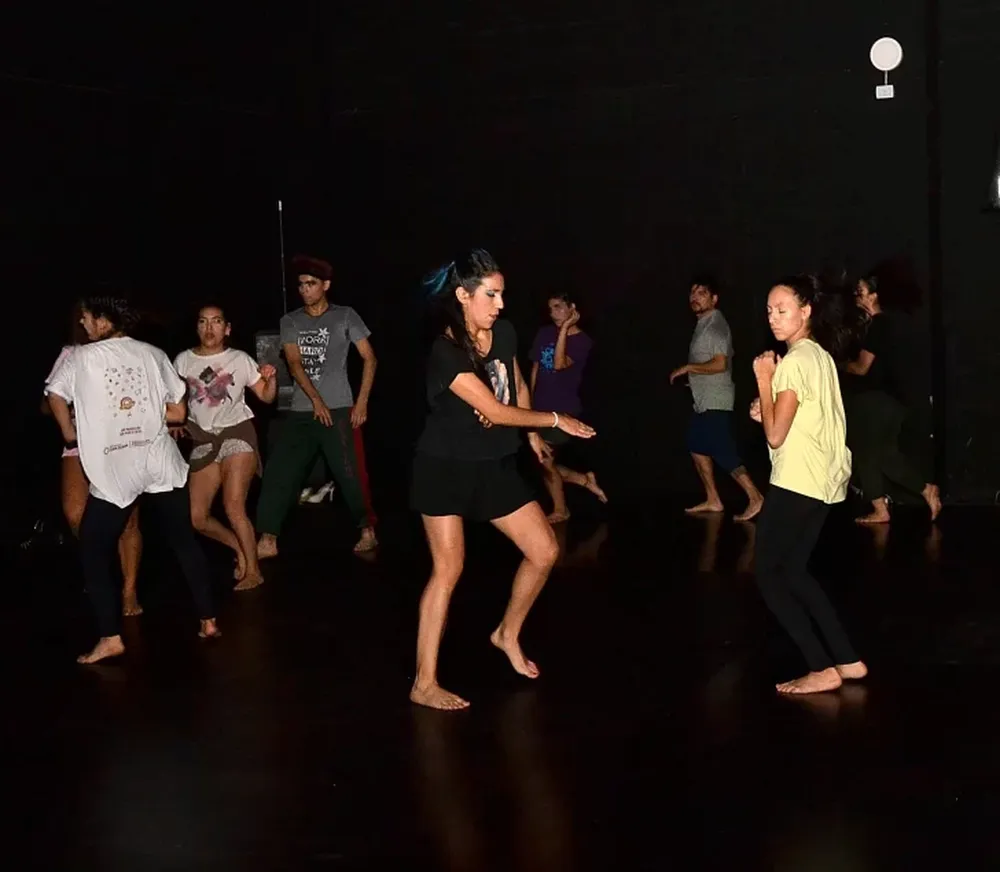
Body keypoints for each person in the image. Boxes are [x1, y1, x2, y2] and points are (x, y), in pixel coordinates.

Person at [409, 249, 596, 711]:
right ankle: (424, 682)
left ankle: (506, 633)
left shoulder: (505, 333)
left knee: (545, 550)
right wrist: (555, 419)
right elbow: (492, 409)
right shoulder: (446, 351)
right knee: (448, 569)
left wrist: (531, 431)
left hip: (493, 465)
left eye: (502, 294)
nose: (499, 304)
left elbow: (512, 381)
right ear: (463, 295)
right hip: (445, 467)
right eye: (490, 295)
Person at [45, 296, 220, 664]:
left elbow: (54, 395)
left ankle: (110, 637)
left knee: (93, 549)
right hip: (159, 461)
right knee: (183, 542)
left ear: (102, 320)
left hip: (116, 468)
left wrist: (69, 433)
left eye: (87, 319)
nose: (84, 325)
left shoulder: (80, 358)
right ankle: (208, 621)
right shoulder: (152, 353)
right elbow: (178, 409)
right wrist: (144, 413)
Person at [749, 274, 867, 694]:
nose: (774, 318)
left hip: (796, 482)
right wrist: (767, 402)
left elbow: (776, 436)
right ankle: (847, 659)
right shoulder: (817, 355)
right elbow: (805, 417)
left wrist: (764, 379)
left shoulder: (793, 361)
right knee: (795, 571)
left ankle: (821, 666)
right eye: (769, 311)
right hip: (822, 482)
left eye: (782, 310)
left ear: (806, 311)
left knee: (768, 574)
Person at [255, 255, 378, 557]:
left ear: (325, 285)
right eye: (301, 285)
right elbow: (295, 365)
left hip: (339, 408)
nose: (305, 289)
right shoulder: (291, 320)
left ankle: (367, 530)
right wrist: (316, 401)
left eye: (311, 284)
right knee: (280, 471)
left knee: (349, 471)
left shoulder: (345, 316)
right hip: (302, 410)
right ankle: (268, 538)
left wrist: (361, 403)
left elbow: (370, 358)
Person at [43, 310, 143, 616]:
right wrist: (69, 416)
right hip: (79, 444)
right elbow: (48, 400)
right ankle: (99, 568)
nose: (87, 324)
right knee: (76, 515)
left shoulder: (129, 351)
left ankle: (129, 591)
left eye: (93, 317)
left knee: (128, 521)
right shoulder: (72, 354)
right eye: (83, 318)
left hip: (121, 442)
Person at [175, 305, 277, 590]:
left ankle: (254, 571)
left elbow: (266, 397)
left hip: (236, 433)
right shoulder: (182, 360)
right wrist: (172, 421)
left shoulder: (239, 359)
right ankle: (240, 547)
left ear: (227, 328)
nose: (210, 328)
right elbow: (173, 400)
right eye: (203, 322)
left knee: (233, 505)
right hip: (203, 439)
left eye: (216, 322)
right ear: (197, 327)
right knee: (197, 516)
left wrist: (272, 379)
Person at [842, 266, 941, 524]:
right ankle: (922, 490)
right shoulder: (889, 324)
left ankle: (883, 507)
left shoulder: (879, 325)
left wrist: (836, 364)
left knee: (865, 451)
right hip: (894, 401)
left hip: (877, 400)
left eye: (861, 291)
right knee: (883, 455)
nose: (857, 295)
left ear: (874, 295)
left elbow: (862, 368)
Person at [670, 276, 763, 521]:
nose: (695, 297)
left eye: (702, 292)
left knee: (723, 451)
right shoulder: (703, 324)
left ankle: (755, 497)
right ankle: (713, 498)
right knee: (696, 445)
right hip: (704, 401)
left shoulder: (716, 325)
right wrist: (695, 377)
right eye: (692, 292)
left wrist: (688, 368)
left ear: (714, 299)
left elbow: (720, 363)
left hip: (716, 400)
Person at [529, 292, 607, 523]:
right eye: (550, 308)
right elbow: (535, 369)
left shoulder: (583, 341)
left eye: (557, 306)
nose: (552, 312)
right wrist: (529, 405)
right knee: (541, 461)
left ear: (571, 308)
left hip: (564, 410)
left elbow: (559, 364)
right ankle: (584, 480)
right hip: (540, 408)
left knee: (545, 460)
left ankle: (561, 509)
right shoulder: (543, 333)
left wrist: (564, 330)